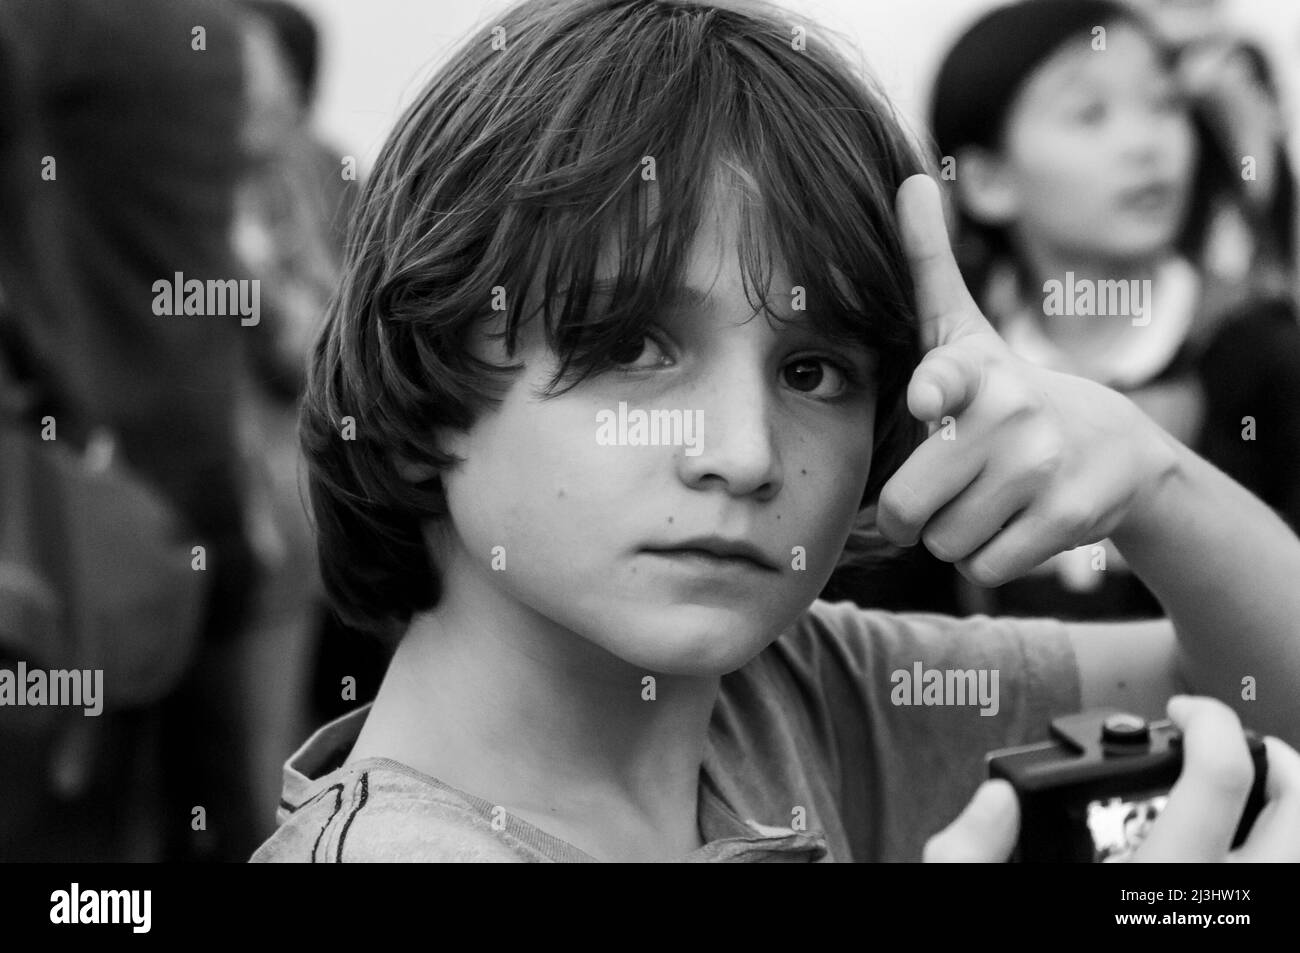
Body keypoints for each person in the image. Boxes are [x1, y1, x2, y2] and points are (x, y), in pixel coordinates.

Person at [252, 0, 1300, 863]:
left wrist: (1155, 482)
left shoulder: (791, 690)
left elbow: (1262, 690)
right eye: (628, 346)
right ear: (418, 373)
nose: (745, 453)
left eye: (814, 370)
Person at [928, 0, 1300, 620]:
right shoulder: (949, 381)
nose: (1146, 144)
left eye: (1164, 105)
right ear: (989, 181)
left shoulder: (1261, 353)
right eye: (1089, 114)